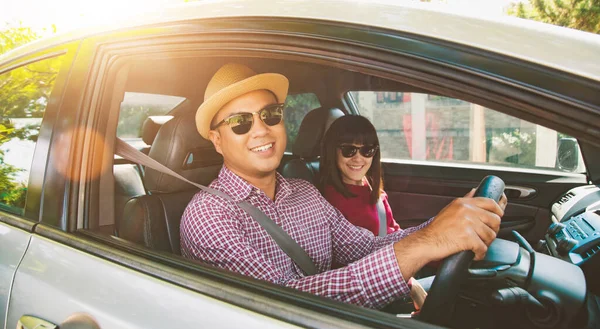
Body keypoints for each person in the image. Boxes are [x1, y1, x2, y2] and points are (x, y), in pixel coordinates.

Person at [180, 63, 507, 309]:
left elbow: (364, 247)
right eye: (240, 122)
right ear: (217, 141)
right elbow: (284, 304)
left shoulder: (304, 192)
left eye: (270, 114)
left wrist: (443, 225)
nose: (261, 130)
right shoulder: (209, 216)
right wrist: (427, 242)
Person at [320, 115, 400, 236]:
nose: (358, 159)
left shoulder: (371, 188)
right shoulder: (330, 204)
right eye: (349, 150)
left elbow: (394, 230)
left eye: (367, 150)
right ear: (332, 151)